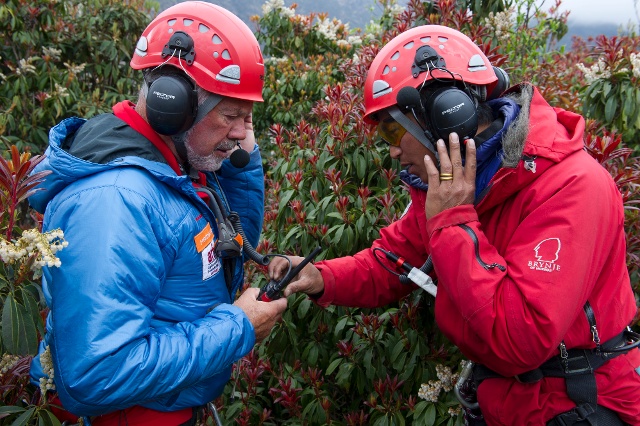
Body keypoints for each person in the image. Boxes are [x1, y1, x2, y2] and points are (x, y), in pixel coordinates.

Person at [268, 25, 640, 425]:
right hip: (509, 400)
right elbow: (394, 262)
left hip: (578, 405)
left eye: (393, 130)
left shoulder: (571, 186)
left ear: (447, 115)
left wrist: (452, 221)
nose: (392, 150)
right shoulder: (456, 182)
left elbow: (521, 339)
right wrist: (318, 276)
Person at [28, 2, 287, 425]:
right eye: (231, 116)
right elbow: (95, 375)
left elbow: (228, 248)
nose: (242, 132)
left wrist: (241, 156)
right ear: (174, 106)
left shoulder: (174, 164)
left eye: (249, 117)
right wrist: (236, 328)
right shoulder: (116, 201)